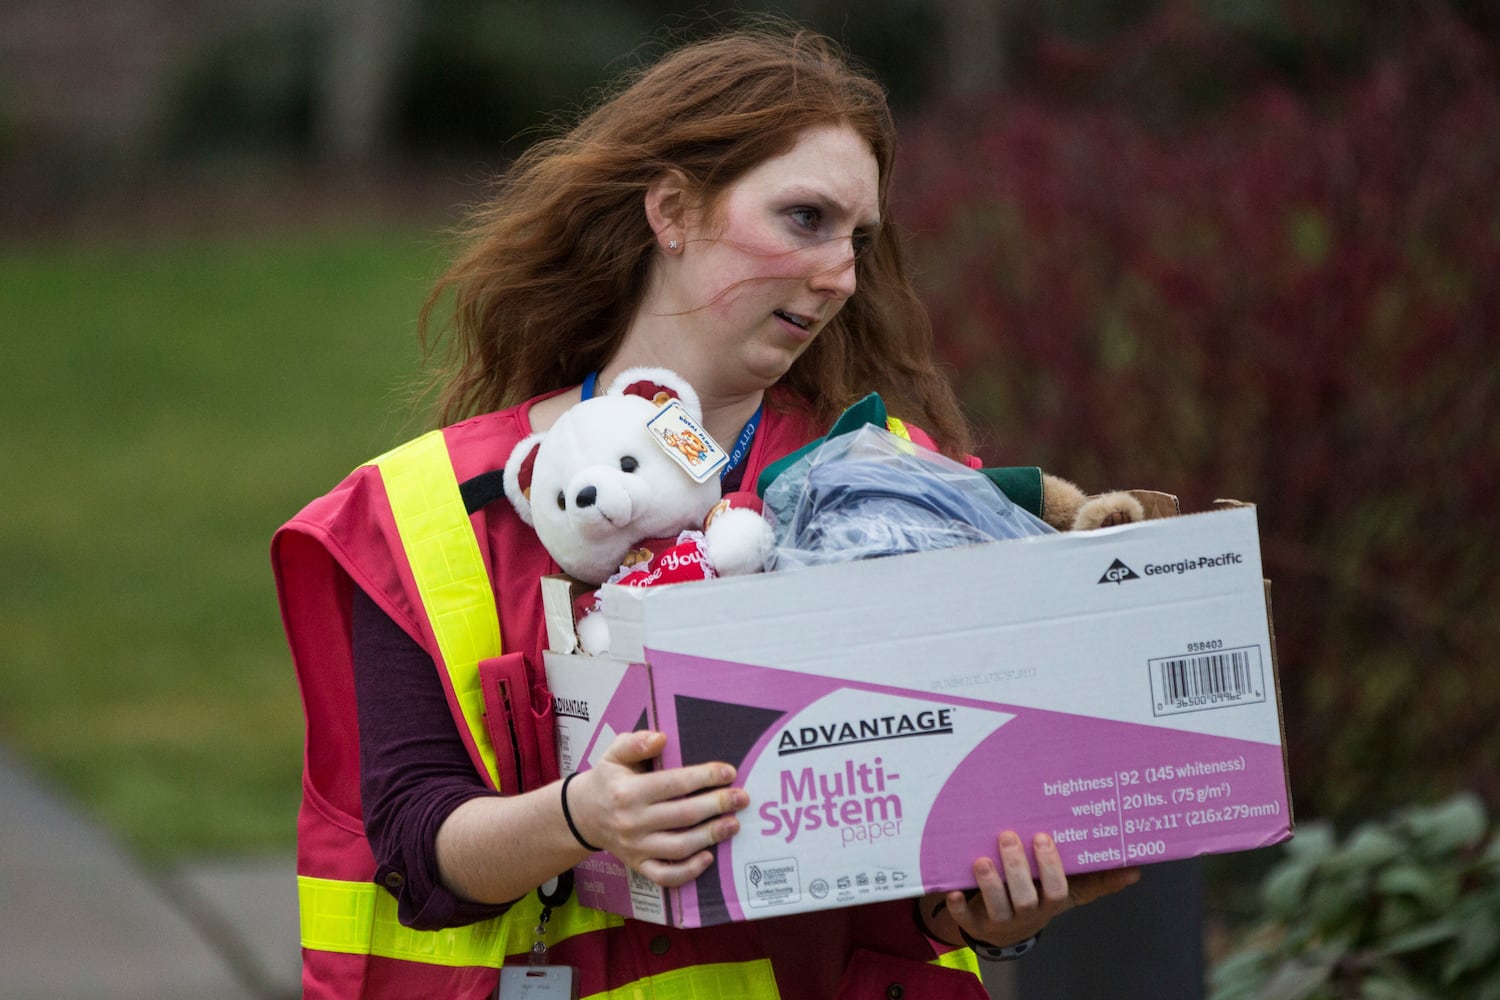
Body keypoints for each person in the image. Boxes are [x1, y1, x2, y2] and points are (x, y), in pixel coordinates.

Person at [272, 20, 1139, 1000]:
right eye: (804, 219)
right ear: (672, 210)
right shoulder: (430, 513)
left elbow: (907, 852)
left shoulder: (898, 487)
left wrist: (975, 912)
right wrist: (582, 814)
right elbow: (416, 854)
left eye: (858, 240)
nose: (840, 275)